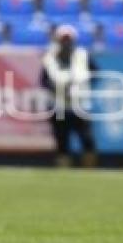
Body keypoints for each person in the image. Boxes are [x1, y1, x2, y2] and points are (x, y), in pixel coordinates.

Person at [40, 24, 99, 168]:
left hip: (80, 105)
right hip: (59, 105)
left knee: (87, 139)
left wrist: (83, 87)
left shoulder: (82, 55)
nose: (66, 42)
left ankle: (90, 168)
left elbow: (95, 73)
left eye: (68, 39)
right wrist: (57, 89)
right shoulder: (49, 58)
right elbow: (44, 80)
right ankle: (64, 171)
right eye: (63, 39)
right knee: (62, 140)